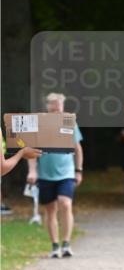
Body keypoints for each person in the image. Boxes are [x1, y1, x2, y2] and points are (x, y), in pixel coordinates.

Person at [26, 92, 83, 259]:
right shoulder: (39, 126)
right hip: (45, 174)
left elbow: (78, 149)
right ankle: (55, 245)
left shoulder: (69, 123)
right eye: (53, 110)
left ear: (63, 107)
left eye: (59, 109)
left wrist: (78, 170)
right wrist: (32, 170)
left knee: (65, 204)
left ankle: (66, 243)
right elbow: (31, 150)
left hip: (66, 173)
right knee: (50, 210)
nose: (56, 112)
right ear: (48, 108)